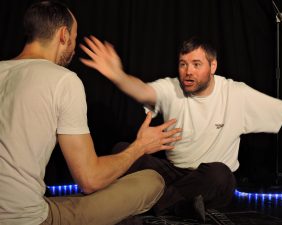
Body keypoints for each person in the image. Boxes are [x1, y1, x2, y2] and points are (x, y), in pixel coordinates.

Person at [79, 35, 282, 221]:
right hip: (172, 174)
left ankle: (158, 204)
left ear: (213, 66)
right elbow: (143, 91)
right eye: (183, 64)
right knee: (122, 149)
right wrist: (119, 76)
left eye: (196, 64)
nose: (188, 71)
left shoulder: (236, 94)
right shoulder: (172, 88)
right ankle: (178, 205)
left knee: (222, 176)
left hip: (208, 178)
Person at [0, 1, 182, 225]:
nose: (74, 47)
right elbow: (89, 179)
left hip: (28, 206)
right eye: (75, 37)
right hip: (25, 220)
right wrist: (141, 146)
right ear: (64, 35)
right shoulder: (63, 80)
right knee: (152, 181)